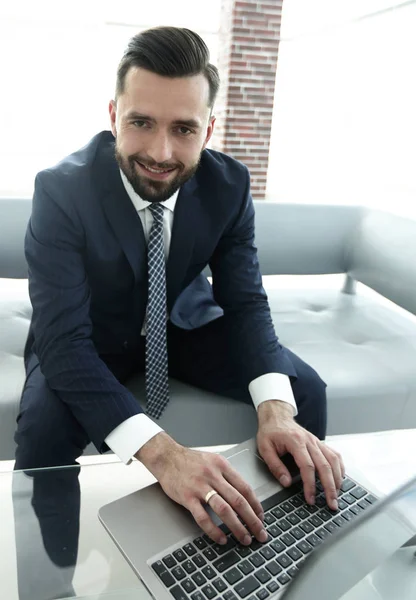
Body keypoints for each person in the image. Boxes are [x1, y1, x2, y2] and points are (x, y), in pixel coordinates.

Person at [15, 26, 344, 552]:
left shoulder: (229, 187)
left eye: (184, 130)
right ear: (112, 116)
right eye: (141, 122)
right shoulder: (60, 191)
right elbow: (62, 343)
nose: (160, 151)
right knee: (40, 435)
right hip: (86, 339)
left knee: (300, 392)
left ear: (208, 130)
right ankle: (49, 583)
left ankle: (279, 548)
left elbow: (244, 301)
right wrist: (166, 456)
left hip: (180, 324)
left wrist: (274, 412)